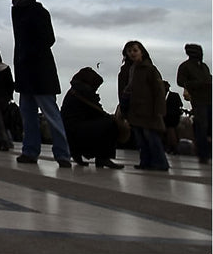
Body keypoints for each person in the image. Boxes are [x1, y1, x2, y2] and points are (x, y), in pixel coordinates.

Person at [7, 0, 72, 168]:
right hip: (25, 72)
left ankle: (62, 153)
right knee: (27, 115)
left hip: (40, 71)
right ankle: (30, 151)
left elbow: (48, 39)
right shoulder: (18, 12)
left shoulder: (38, 11)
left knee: (50, 113)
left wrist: (29, 53)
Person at [118, 40, 169, 171]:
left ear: (141, 51)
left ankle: (160, 163)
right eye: (129, 51)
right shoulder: (128, 69)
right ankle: (145, 162)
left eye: (135, 50)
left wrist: (159, 109)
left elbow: (158, 90)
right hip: (134, 109)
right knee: (141, 139)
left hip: (148, 109)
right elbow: (125, 90)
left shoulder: (150, 69)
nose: (132, 53)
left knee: (152, 137)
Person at [60, 67, 124, 169]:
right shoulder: (84, 91)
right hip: (76, 128)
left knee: (99, 124)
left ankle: (77, 152)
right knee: (111, 124)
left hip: (69, 127)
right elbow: (97, 111)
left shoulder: (75, 89)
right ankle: (103, 157)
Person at [177, 43, 212, 164]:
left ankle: (207, 152)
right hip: (198, 100)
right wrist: (197, 84)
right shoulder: (185, 66)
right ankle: (203, 154)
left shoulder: (204, 66)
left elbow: (208, 78)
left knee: (209, 128)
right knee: (201, 127)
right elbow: (180, 81)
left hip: (209, 98)